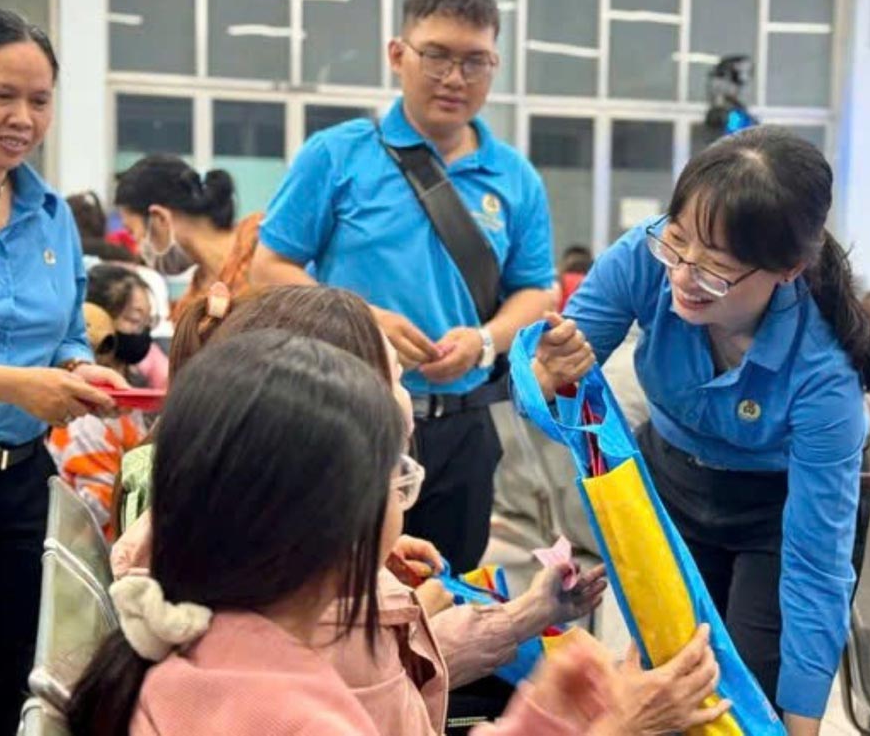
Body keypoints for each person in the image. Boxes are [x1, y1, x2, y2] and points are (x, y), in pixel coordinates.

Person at [109, 285, 728, 736]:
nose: (408, 405)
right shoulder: (288, 707)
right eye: (395, 478)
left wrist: (544, 707)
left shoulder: (216, 617)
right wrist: (616, 730)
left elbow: (396, 691)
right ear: (327, 500)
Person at [530, 127, 870, 735]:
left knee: (747, 703)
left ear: (788, 269)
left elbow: (816, 565)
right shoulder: (646, 258)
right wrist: (546, 376)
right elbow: (546, 377)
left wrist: (796, 724)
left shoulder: (825, 376)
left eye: (717, 269)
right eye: (678, 243)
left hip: (774, 515)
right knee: (670, 678)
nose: (685, 276)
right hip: (670, 484)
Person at [251, 0, 556, 571]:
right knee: (337, 588)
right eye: (436, 55)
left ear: (494, 66)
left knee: (448, 592)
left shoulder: (515, 178)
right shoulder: (338, 155)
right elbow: (268, 267)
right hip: (349, 417)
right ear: (398, 55)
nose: (454, 78)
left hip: (464, 430)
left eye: (475, 61)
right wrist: (361, 320)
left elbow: (536, 291)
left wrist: (484, 341)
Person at [0, 8, 126, 734]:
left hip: (17, 488)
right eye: (2, 96)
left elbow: (67, 330)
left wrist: (79, 366)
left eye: (40, 101)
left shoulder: (48, 213)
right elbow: (22, 375)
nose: (23, 117)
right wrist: (19, 386)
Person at [47, 266, 155, 538]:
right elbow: (98, 511)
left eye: (148, 322)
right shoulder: (85, 417)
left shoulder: (128, 394)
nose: (143, 332)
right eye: (133, 320)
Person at [114, 154, 261, 321]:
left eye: (132, 231)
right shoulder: (189, 310)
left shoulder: (266, 244)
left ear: (160, 218)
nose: (138, 250)